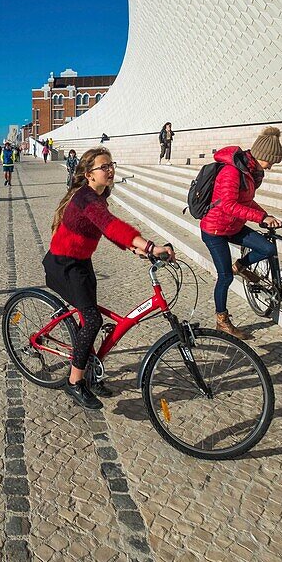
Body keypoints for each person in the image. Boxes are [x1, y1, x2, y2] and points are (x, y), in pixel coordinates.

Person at [44, 147, 174, 409]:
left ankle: (90, 371)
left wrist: (137, 248)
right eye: (104, 166)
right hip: (63, 265)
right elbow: (112, 225)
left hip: (81, 262)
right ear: (89, 174)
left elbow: (107, 231)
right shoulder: (85, 198)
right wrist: (148, 246)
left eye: (111, 164)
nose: (110, 169)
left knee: (88, 317)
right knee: (92, 319)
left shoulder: (99, 198)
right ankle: (74, 382)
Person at [199, 126, 282, 340]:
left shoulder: (250, 172)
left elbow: (245, 201)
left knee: (267, 248)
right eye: (271, 162)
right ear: (261, 156)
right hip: (215, 229)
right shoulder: (232, 171)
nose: (271, 166)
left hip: (233, 225)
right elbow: (228, 205)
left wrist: (265, 215)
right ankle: (222, 320)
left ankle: (241, 265)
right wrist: (260, 218)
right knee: (225, 277)